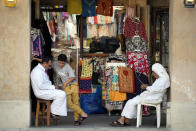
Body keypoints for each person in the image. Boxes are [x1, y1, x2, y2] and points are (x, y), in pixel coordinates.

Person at [53, 54, 88, 126]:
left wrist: (65, 83)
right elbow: (55, 75)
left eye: (63, 63)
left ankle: (76, 120)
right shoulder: (55, 65)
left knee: (76, 103)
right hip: (66, 87)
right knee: (69, 104)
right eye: (60, 62)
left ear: (65, 62)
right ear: (57, 61)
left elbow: (72, 77)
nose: (61, 64)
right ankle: (83, 113)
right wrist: (56, 83)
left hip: (74, 85)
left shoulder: (68, 67)